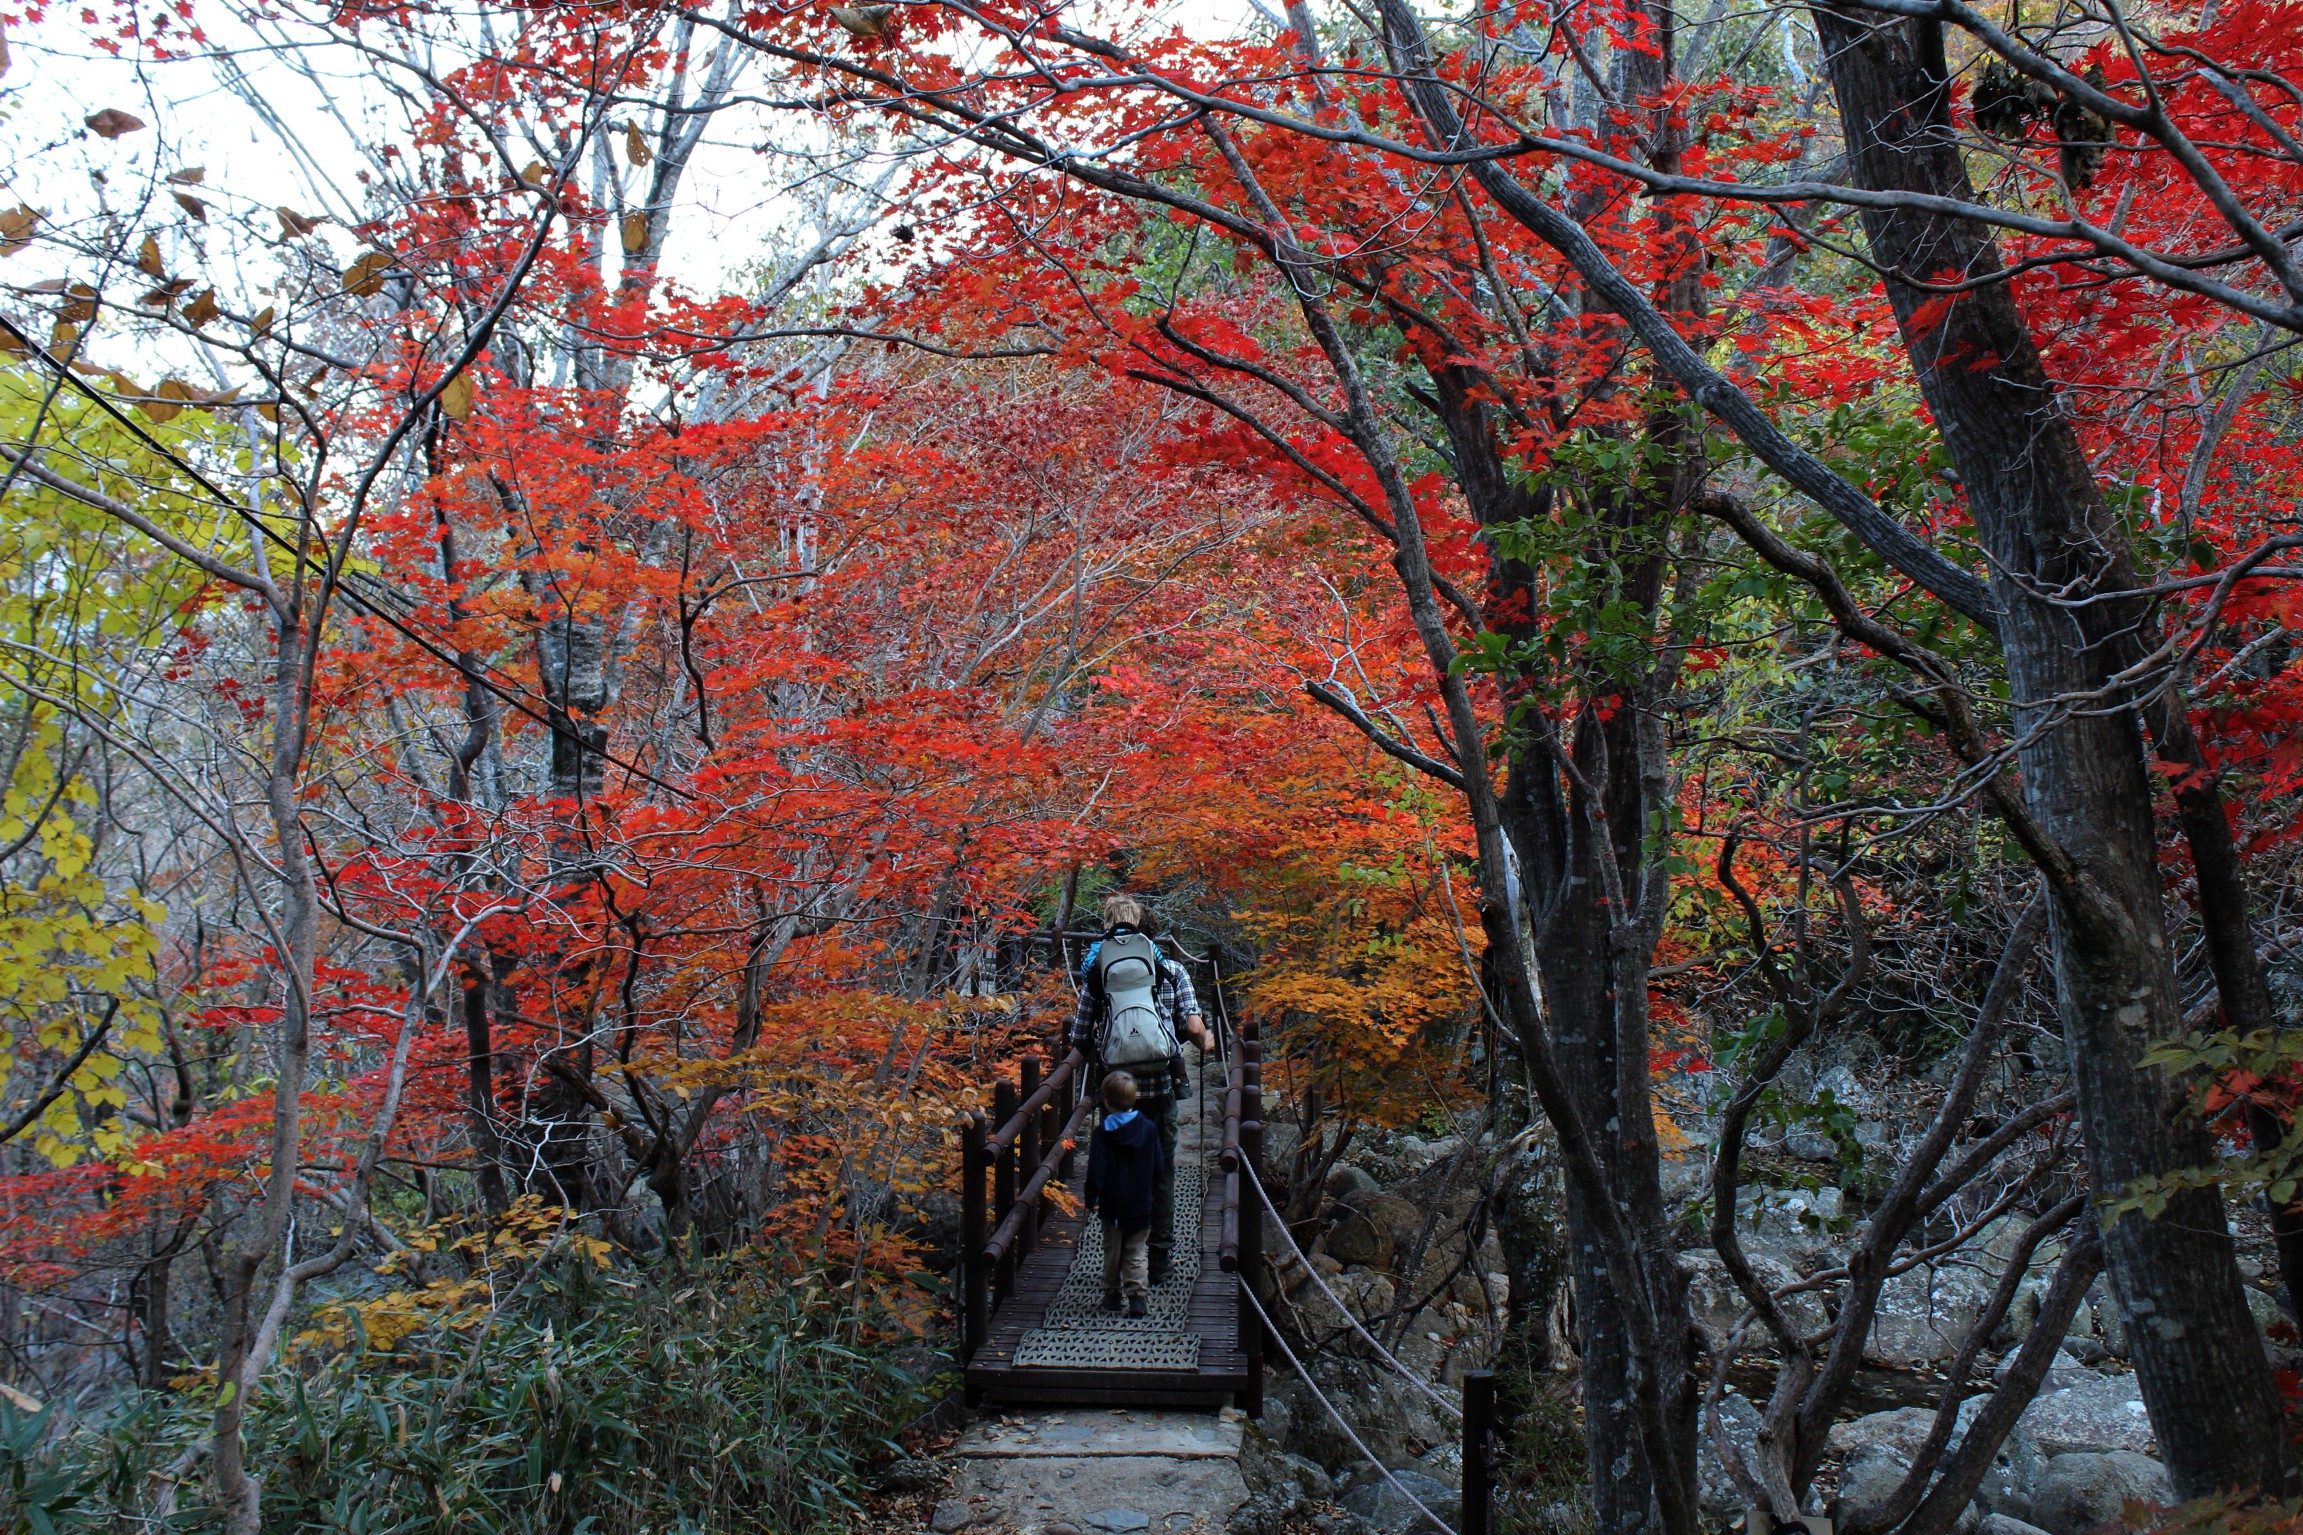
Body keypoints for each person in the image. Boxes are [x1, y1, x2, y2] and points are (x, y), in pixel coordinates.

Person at [1070, 895, 1212, 1286]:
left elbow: (1080, 1035)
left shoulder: (1098, 973)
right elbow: (1194, 1029)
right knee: (1161, 1172)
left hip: (1117, 1092)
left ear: (1107, 925)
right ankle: (1160, 1260)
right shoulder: (1171, 969)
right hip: (1160, 1085)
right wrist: (1208, 1041)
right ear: (1142, 924)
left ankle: (1119, 1264)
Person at [1083, 1070, 1165, 1317]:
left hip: (1112, 1204)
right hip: (1141, 1203)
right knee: (1136, 1251)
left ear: (1106, 1101)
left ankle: (1111, 1294)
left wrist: (1092, 1197)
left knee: (1113, 1250)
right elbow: (1159, 1166)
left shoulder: (1103, 1133)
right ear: (1135, 1098)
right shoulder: (1148, 1129)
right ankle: (1137, 1297)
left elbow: (1096, 1169)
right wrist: (1153, 1192)